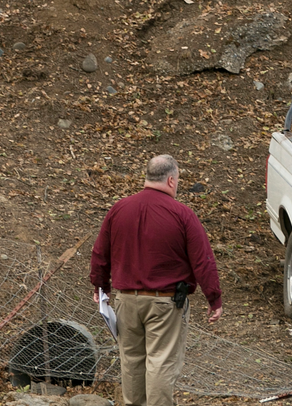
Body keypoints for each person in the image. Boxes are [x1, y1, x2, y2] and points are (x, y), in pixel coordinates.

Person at [90, 154, 222, 406]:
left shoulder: (119, 209)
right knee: (160, 362)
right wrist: (213, 298)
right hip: (165, 303)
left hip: (126, 300)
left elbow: (100, 253)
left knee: (131, 359)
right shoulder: (182, 214)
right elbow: (202, 259)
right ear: (171, 180)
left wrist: (100, 285)